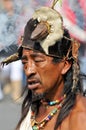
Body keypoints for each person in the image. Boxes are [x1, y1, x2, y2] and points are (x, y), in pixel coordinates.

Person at [1, 0, 86, 130]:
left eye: (38, 61)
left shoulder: (79, 117)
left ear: (65, 65)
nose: (29, 70)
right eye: (24, 62)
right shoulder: (36, 107)